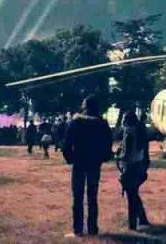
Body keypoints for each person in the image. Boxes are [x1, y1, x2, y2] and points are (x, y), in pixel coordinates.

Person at [63, 95, 112, 238]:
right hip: (94, 163)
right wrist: (103, 158)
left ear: (84, 106)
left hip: (79, 161)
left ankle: (77, 229)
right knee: (92, 197)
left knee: (77, 197)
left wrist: (69, 158)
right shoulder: (102, 123)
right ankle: (92, 228)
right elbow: (107, 144)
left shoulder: (76, 122)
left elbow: (67, 142)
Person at [117, 111, 151, 231]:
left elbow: (127, 153)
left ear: (127, 120)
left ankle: (132, 224)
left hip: (130, 167)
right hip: (139, 165)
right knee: (134, 193)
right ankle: (142, 219)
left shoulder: (129, 132)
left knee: (131, 196)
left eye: (123, 118)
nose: (122, 121)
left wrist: (117, 157)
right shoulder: (140, 130)